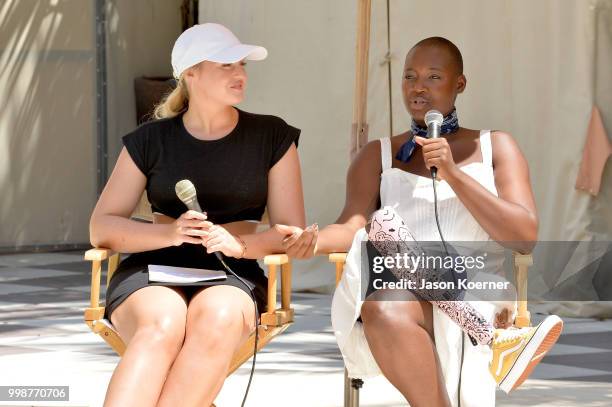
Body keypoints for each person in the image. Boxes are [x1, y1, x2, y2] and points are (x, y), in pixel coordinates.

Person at [277, 37, 562, 406]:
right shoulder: (376, 155)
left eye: (433, 76)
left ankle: (489, 333)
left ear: (459, 84)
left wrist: (454, 174)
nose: (417, 87)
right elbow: (351, 226)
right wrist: (312, 241)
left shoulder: (496, 146)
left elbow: (524, 237)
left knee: (387, 250)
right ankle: (498, 344)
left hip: (476, 284)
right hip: (398, 284)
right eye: (409, 76)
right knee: (381, 286)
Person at [89, 23, 304, 407]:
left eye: (242, 65)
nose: (239, 74)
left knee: (217, 318)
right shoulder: (150, 140)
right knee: (161, 326)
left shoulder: (272, 137)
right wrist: (170, 234)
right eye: (226, 65)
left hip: (234, 272)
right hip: (153, 271)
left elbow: (291, 231)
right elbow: (101, 226)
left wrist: (239, 245)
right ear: (191, 73)